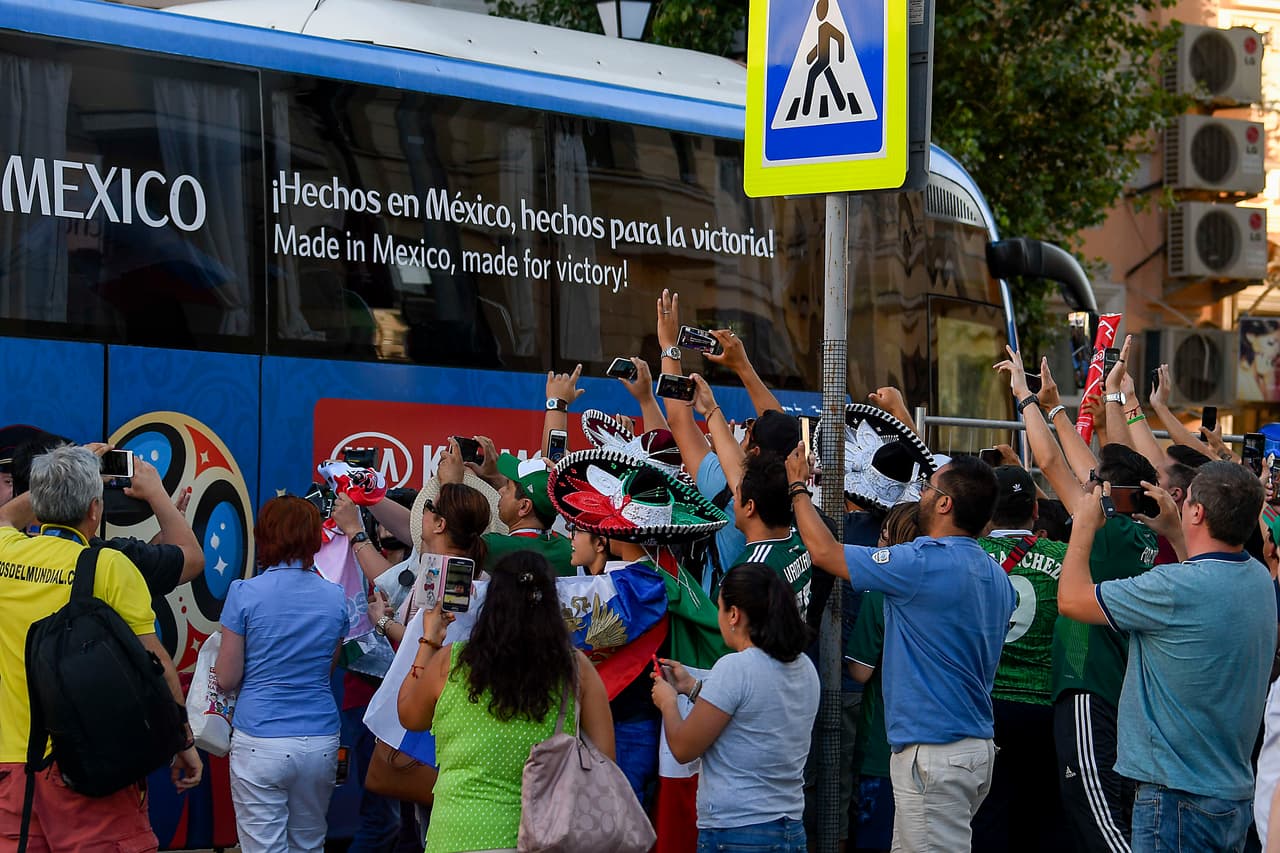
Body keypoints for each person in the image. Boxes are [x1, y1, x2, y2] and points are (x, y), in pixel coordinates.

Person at [787, 447, 1015, 852]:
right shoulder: (996, 574)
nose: (920, 494)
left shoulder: (921, 563)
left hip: (935, 754)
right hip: (969, 748)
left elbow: (824, 552)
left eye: (927, 488)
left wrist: (798, 488)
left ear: (944, 504)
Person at [1059, 463, 1275, 852]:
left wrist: (1083, 526)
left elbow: (1072, 600)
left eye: (1186, 501)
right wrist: (1177, 532)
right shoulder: (1258, 579)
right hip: (1231, 795)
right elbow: (1205, 580)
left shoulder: (1172, 588)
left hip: (1174, 798)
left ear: (1197, 512)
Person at [0, 445, 201, 851]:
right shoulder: (108, 564)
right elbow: (156, 664)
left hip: (11, 769)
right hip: (86, 765)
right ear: (95, 509)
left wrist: (57, 479)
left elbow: (5, 517)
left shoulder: (5, 551)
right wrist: (182, 739)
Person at [396, 551, 615, 853]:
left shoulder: (451, 661)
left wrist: (430, 640)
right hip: (543, 836)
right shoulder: (574, 668)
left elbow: (409, 716)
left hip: (456, 834)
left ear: (492, 603)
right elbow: (605, 759)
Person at [652, 563, 819, 852]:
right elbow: (751, 716)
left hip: (736, 830)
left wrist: (668, 702)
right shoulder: (804, 666)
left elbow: (682, 748)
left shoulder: (735, 667)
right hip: (790, 828)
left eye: (719, 608)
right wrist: (692, 688)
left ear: (734, 614)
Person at [216, 496, 350, 853]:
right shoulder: (335, 597)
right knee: (309, 843)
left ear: (265, 535)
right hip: (320, 738)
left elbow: (227, 678)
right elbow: (328, 668)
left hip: (259, 738)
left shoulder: (244, 593)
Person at [971, 465, 1069, 853]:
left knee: (987, 819)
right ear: (1035, 510)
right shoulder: (1064, 556)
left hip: (986, 705)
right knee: (1044, 818)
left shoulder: (969, 555)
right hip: (1046, 707)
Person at [846, 502, 921, 853]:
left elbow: (860, 671)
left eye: (883, 536)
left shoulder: (879, 592)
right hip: (943, 744)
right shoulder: (949, 582)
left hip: (884, 746)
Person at [371, 483, 492, 646]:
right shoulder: (448, 569)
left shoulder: (452, 576)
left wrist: (382, 621)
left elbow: (434, 642)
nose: (423, 512)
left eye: (428, 506)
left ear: (440, 524)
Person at [727, 454, 812, 618]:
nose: (733, 499)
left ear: (750, 507)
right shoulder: (798, 538)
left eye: (737, 493)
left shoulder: (753, 572)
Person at [484, 452, 573, 575]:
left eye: (508, 487)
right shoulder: (569, 549)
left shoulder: (493, 546)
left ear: (524, 506)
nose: (500, 491)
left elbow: (455, 544)